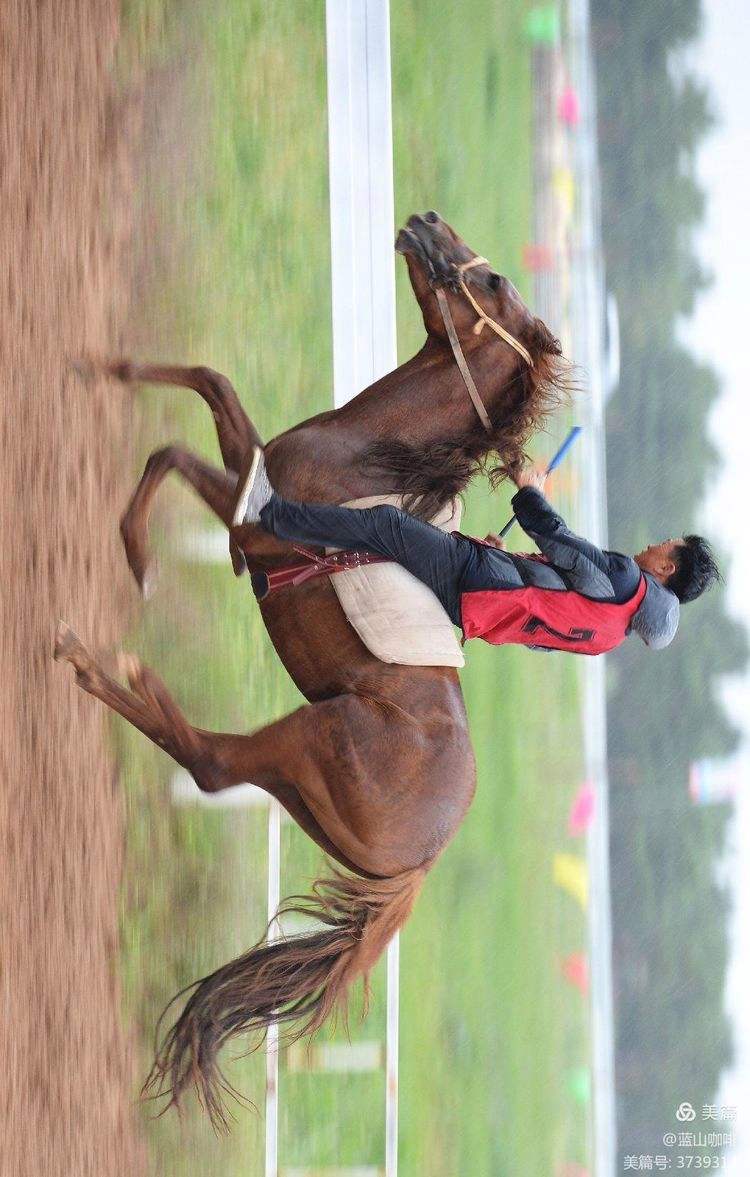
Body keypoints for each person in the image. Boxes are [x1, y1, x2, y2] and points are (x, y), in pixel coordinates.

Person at [231, 448, 721, 656]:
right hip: (478, 614)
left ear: (667, 567)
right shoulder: (610, 636)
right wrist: (512, 562)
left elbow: (560, 543)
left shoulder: (624, 578)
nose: (653, 543)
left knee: (386, 524)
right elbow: (543, 625)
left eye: (665, 544)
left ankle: (269, 512)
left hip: (478, 579)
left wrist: (530, 490)